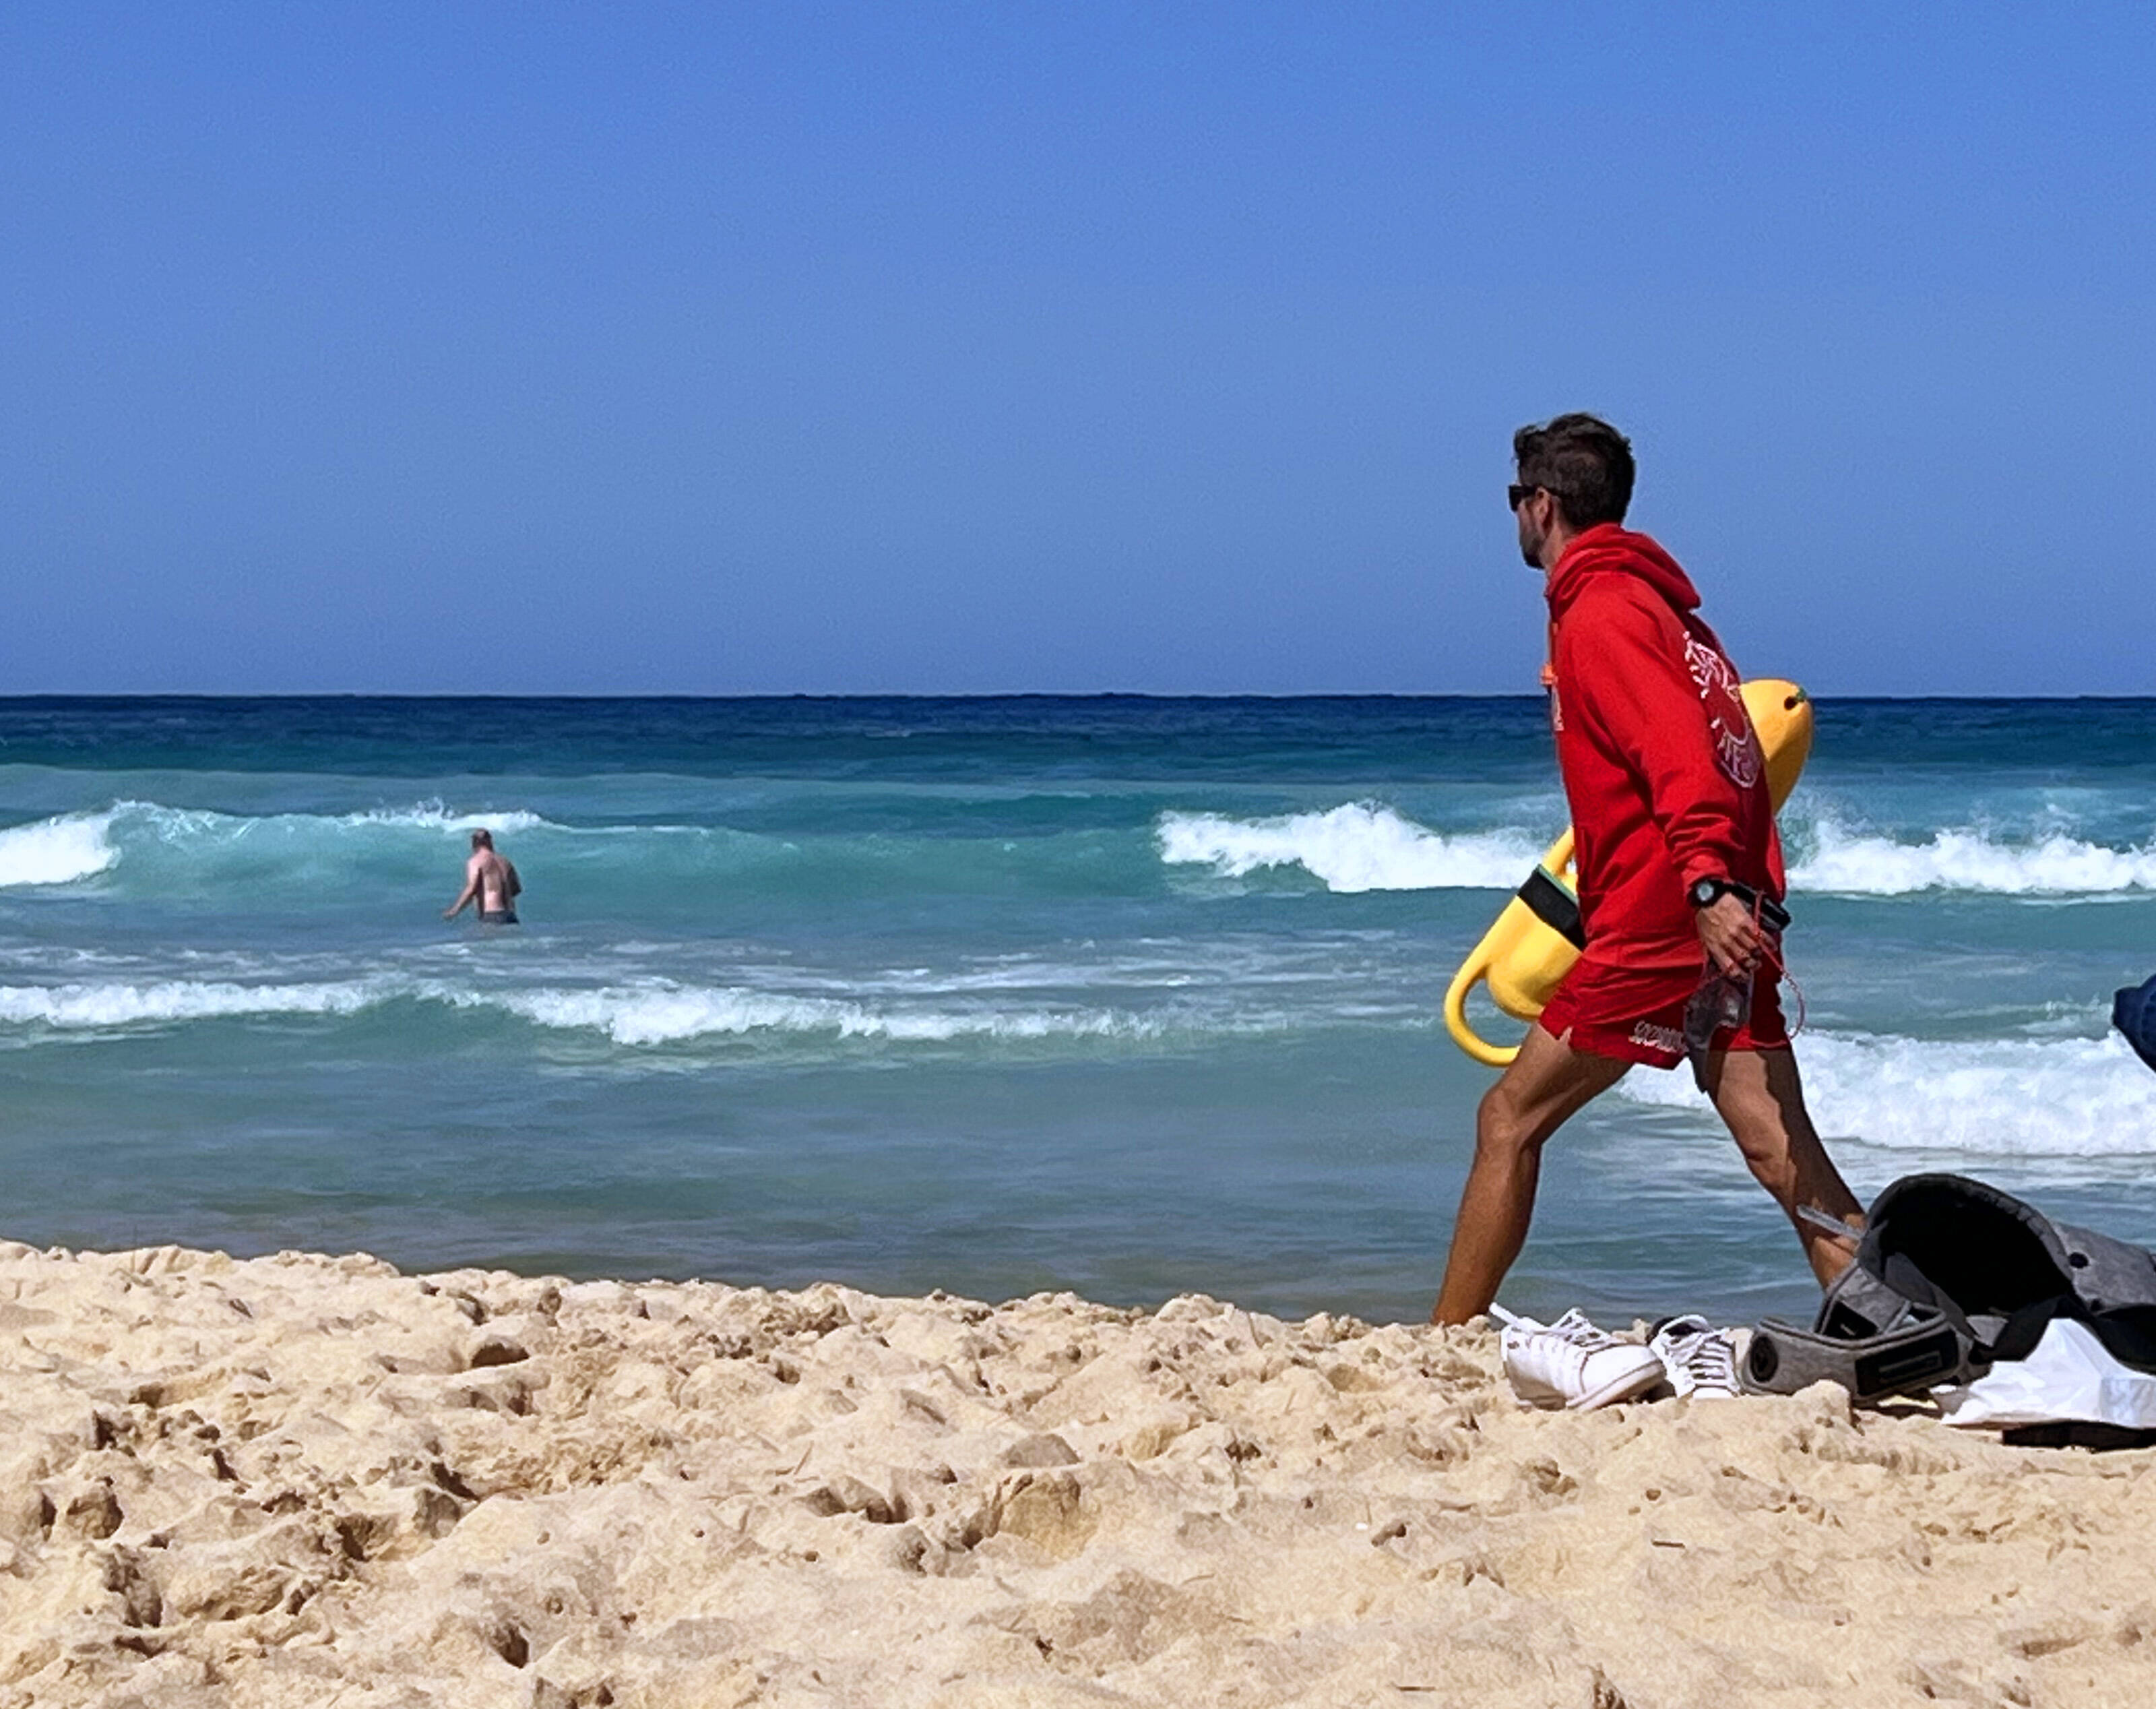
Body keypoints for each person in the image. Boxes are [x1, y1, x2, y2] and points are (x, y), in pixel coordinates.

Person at [1432, 413, 1864, 1325]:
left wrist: (1705, 888)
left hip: (1667, 917)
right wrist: (1745, 896)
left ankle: (1444, 1346)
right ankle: (1895, 1323)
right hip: (1718, 913)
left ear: (1543, 505)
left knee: (1509, 1119)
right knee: (1776, 1145)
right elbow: (1744, 762)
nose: (1513, 517)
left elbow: (1685, 762)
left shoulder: (1604, 615)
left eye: (1516, 500)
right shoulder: (1672, 618)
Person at [444, 828, 521, 925]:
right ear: (490, 842)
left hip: (492, 916)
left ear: (474, 844)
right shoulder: (505, 862)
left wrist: (454, 911)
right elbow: (516, 890)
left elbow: (471, 889)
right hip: (511, 916)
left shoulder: (475, 862)